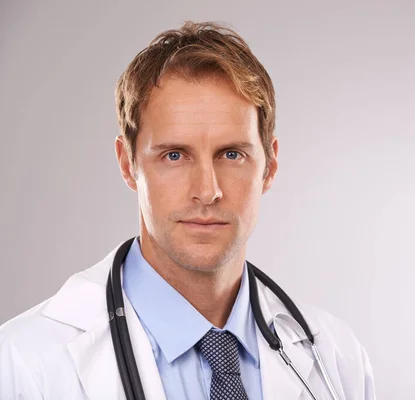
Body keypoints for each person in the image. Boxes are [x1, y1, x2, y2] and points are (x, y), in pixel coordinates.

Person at [0, 21, 375, 399]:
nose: (207, 191)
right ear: (128, 164)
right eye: (174, 155)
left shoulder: (335, 356)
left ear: (270, 166)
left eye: (232, 154)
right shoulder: (24, 363)